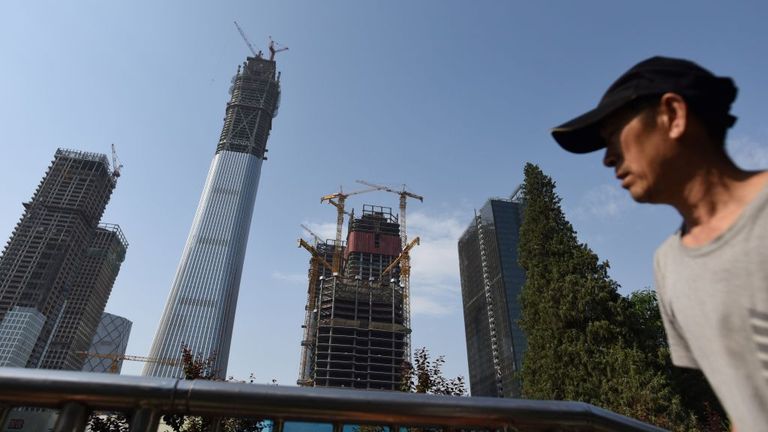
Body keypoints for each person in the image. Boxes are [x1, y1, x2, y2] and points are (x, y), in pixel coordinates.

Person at [551, 56, 768, 431]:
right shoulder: (668, 264)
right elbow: (744, 402)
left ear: (672, 115)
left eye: (614, 133)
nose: (607, 159)